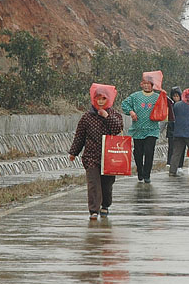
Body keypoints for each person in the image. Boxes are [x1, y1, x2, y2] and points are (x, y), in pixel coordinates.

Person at [69, 84, 124, 220]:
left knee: (107, 185)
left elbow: (118, 129)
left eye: (103, 99)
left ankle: (105, 205)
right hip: (91, 157)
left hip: (110, 158)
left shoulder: (114, 115)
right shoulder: (87, 118)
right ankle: (93, 210)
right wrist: (73, 152)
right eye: (98, 99)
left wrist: (106, 116)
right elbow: (79, 136)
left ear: (109, 100)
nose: (100, 102)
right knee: (93, 184)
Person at [121, 73, 162, 183]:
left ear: (152, 85)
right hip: (138, 129)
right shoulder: (135, 96)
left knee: (149, 152)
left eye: (149, 84)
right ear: (141, 84)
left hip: (152, 129)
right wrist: (131, 112)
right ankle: (140, 170)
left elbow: (164, 109)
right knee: (138, 153)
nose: (147, 86)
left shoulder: (158, 97)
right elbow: (124, 104)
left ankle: (147, 174)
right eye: (145, 83)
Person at [165, 86, 185, 175]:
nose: (175, 98)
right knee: (171, 148)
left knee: (181, 149)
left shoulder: (184, 105)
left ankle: (180, 166)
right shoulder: (169, 105)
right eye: (174, 96)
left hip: (182, 131)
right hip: (171, 130)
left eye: (177, 96)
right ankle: (170, 163)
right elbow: (166, 119)